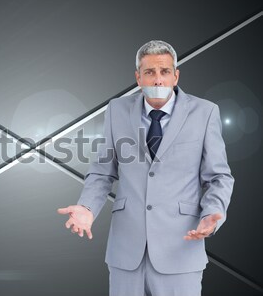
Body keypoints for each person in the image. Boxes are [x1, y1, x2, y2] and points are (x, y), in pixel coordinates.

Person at [57, 40, 234, 296]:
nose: (158, 80)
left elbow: (219, 176)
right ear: (138, 77)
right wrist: (87, 208)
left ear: (176, 76)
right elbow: (102, 171)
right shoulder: (116, 110)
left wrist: (213, 212)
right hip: (126, 253)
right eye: (149, 72)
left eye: (164, 72)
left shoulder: (205, 112)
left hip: (180, 250)